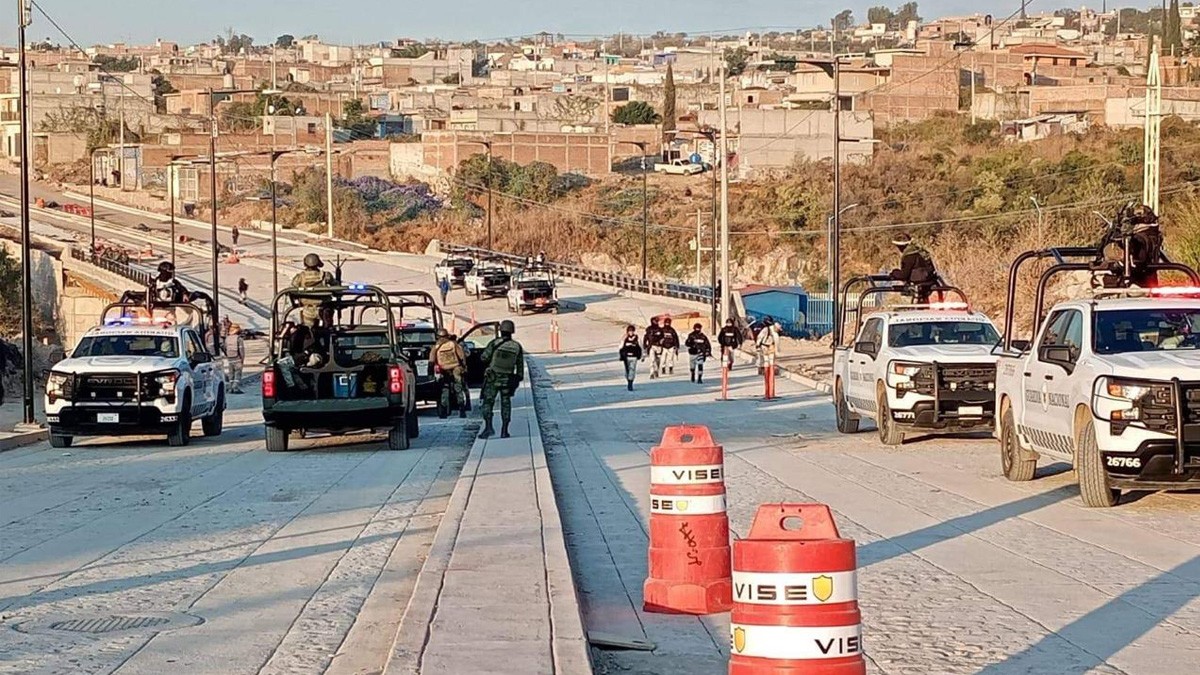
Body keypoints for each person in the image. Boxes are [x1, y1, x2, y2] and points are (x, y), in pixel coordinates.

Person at [479, 320, 525, 439]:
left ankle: (488, 428)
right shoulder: (517, 346)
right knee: (506, 404)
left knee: (488, 403)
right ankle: (504, 431)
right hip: (507, 379)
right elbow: (520, 369)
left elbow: (484, 358)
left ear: (501, 330)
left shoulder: (495, 343)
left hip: (492, 378)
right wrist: (515, 381)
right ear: (512, 331)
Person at [889, 232, 940, 304]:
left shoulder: (909, 256)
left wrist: (894, 272)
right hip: (930, 283)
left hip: (918, 284)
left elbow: (904, 275)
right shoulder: (922, 252)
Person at [292, 253, 336, 327]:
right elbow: (336, 287)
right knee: (328, 332)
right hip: (324, 309)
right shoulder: (326, 275)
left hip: (307, 310)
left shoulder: (300, 277)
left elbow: (292, 290)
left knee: (309, 332)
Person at [432, 328, 467, 419]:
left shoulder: (435, 347)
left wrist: (430, 373)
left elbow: (431, 361)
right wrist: (464, 367)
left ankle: (444, 412)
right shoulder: (453, 344)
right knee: (458, 389)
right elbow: (462, 356)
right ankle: (462, 410)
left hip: (444, 370)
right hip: (456, 368)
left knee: (445, 390)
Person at [1127, 204, 1164, 288]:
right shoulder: (1154, 234)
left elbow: (1138, 260)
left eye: (1138, 214)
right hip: (1151, 279)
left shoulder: (1139, 238)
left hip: (1139, 283)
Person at [618, 325, 643, 391]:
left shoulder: (637, 338)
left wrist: (642, 356)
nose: (631, 333)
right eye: (629, 331)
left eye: (632, 331)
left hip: (634, 357)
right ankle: (628, 380)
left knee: (632, 370)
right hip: (626, 357)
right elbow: (620, 347)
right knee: (627, 372)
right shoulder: (625, 338)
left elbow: (641, 347)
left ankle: (630, 383)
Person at [223, 323, 246, 393]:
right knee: (238, 373)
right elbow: (241, 350)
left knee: (231, 374)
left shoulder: (227, 338)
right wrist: (242, 359)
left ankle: (230, 388)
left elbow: (225, 348)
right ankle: (235, 387)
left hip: (230, 358)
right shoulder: (239, 339)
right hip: (237, 358)